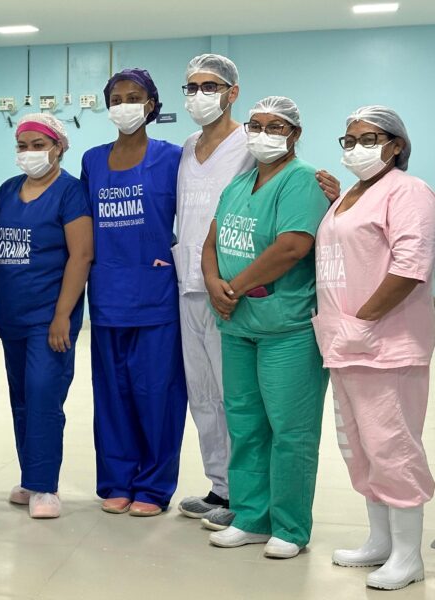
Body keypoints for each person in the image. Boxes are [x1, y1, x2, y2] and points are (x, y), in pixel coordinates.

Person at [201, 96, 330, 559]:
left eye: (274, 127)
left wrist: (233, 288)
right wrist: (213, 282)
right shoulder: (239, 184)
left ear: (294, 134)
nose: (262, 134)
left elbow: (292, 247)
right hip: (238, 326)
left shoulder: (303, 181)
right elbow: (212, 241)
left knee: (291, 431)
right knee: (245, 425)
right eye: (255, 125)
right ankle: (251, 517)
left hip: (287, 328)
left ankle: (290, 527)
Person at [313, 106, 434, 590]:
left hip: (387, 343)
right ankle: (380, 541)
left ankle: (408, 555)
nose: (356, 147)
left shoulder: (409, 191)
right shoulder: (349, 196)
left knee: (392, 446)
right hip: (344, 341)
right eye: (349, 139)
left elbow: (410, 266)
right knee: (359, 447)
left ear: (396, 145)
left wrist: (363, 321)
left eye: (369, 138)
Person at [81, 68, 186, 517]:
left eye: (134, 97)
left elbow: (197, 213)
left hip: (156, 294)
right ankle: (117, 481)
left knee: (157, 394)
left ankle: (153, 486)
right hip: (108, 294)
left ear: (151, 104)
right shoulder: (91, 161)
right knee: (112, 395)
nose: (124, 105)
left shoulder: (173, 157)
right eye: (116, 98)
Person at [0, 113, 93, 519]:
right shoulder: (7, 191)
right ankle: (30, 476)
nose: (29, 153)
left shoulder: (70, 193)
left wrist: (62, 315)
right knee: (21, 398)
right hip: (11, 314)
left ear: (59, 148)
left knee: (43, 396)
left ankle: (46, 486)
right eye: (23, 146)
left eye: (38, 145)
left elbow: (81, 255)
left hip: (49, 317)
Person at [173, 54, 255, 528]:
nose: (199, 96)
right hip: (186, 284)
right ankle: (220, 487)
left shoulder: (249, 144)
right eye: (192, 87)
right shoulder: (188, 146)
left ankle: (246, 494)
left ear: (232, 93)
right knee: (202, 394)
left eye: (210, 86)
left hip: (227, 286)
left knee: (234, 395)